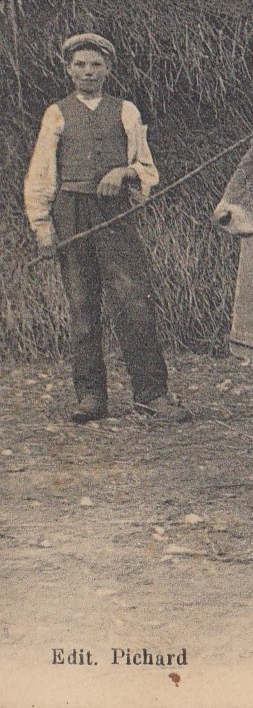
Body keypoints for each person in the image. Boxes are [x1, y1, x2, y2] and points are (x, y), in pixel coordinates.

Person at [22, 33, 190, 423]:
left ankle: (151, 394)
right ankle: (91, 397)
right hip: (72, 215)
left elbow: (149, 169)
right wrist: (43, 228)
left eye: (95, 65)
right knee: (82, 307)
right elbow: (41, 174)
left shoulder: (126, 111)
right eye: (79, 64)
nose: (87, 72)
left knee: (134, 304)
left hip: (115, 218)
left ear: (108, 69)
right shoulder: (57, 114)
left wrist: (122, 171)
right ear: (67, 69)